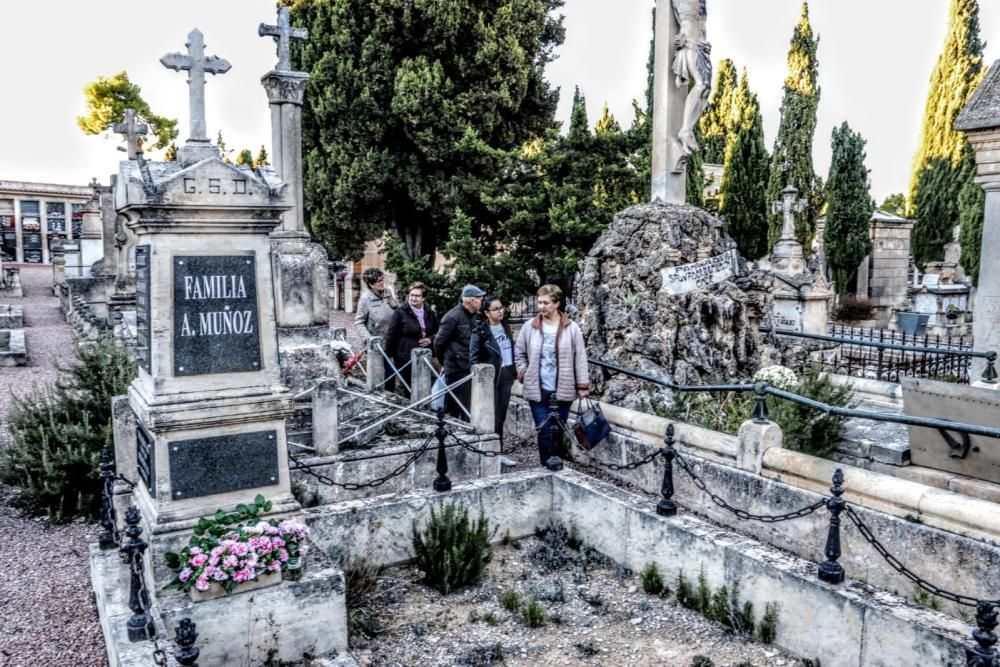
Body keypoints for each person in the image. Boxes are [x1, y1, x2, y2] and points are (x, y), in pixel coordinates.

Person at [514, 284, 590, 465]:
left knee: (558, 429)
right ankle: (546, 464)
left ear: (556, 304)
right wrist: (523, 372)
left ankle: (556, 462)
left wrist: (582, 385)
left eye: (545, 303)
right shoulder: (529, 326)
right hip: (538, 388)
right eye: (539, 302)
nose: (541, 306)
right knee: (544, 429)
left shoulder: (571, 328)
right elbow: (520, 352)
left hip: (563, 388)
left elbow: (580, 357)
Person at [434, 284, 486, 419]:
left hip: (468, 367)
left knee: (468, 407)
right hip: (456, 368)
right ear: (472, 301)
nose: (482, 302)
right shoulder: (452, 317)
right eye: (480, 299)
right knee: (453, 407)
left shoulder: (473, 316)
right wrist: (444, 362)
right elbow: (439, 343)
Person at [470, 296, 515, 449]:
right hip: (491, 378)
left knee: (501, 415)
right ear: (487, 313)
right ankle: (492, 449)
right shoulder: (481, 332)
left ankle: (499, 448)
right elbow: (474, 358)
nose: (500, 311)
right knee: (492, 416)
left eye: (501, 308)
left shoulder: (506, 326)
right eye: (495, 309)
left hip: (507, 374)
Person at [384, 281, 439, 397]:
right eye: (412, 295)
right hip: (405, 356)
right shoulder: (400, 312)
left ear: (423, 298)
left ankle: (422, 408)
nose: (413, 298)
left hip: (425, 355)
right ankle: (410, 411)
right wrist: (388, 355)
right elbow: (391, 334)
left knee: (424, 385)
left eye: (417, 296)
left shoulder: (429, 313)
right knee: (409, 387)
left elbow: (437, 331)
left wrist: (431, 339)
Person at [353, 267, 398, 390]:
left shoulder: (387, 293)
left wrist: (394, 305)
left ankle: (391, 396)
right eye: (379, 281)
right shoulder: (365, 299)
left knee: (391, 373)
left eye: (382, 279)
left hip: (391, 340)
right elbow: (358, 322)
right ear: (371, 284)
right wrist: (369, 339)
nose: (382, 282)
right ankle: (378, 396)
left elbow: (397, 314)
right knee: (378, 374)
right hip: (376, 343)